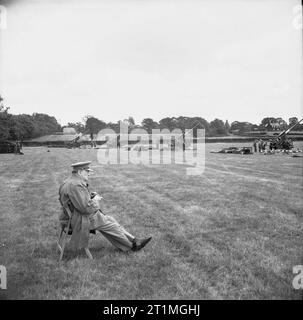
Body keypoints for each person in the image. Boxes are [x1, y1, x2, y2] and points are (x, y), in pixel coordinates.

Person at [58, 161, 152, 253]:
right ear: (79, 172)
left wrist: (90, 196)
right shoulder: (76, 185)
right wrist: (95, 201)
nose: (89, 174)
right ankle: (132, 246)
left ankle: (135, 240)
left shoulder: (69, 182)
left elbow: (76, 201)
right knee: (111, 225)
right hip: (79, 220)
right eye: (87, 171)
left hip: (74, 216)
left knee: (110, 220)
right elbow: (85, 209)